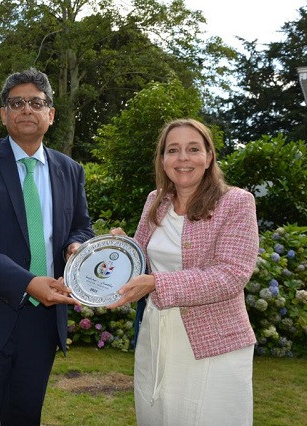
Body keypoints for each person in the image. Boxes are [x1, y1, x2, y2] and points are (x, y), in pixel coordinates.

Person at [0, 68, 95, 425]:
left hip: (42, 322)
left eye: (36, 103)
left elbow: (81, 227)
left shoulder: (70, 170)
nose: (27, 109)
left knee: (25, 417)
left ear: (50, 114)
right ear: (4, 114)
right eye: (17, 102)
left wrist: (75, 246)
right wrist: (27, 281)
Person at [108, 118, 259, 425]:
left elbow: (230, 276)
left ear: (209, 156)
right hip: (157, 334)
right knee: (157, 416)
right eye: (173, 150)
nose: (183, 158)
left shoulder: (236, 203)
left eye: (193, 149)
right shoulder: (156, 201)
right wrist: (120, 252)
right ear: (163, 160)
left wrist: (156, 283)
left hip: (213, 341)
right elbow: (142, 261)